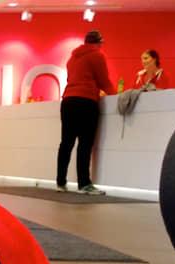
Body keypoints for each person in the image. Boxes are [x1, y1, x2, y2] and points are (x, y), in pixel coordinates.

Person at [57, 30, 115, 195]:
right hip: (86, 101)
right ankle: (84, 184)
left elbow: (71, 79)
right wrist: (115, 96)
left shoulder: (72, 58)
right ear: (98, 43)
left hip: (68, 101)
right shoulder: (97, 55)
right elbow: (104, 81)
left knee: (66, 143)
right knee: (85, 143)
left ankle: (61, 182)